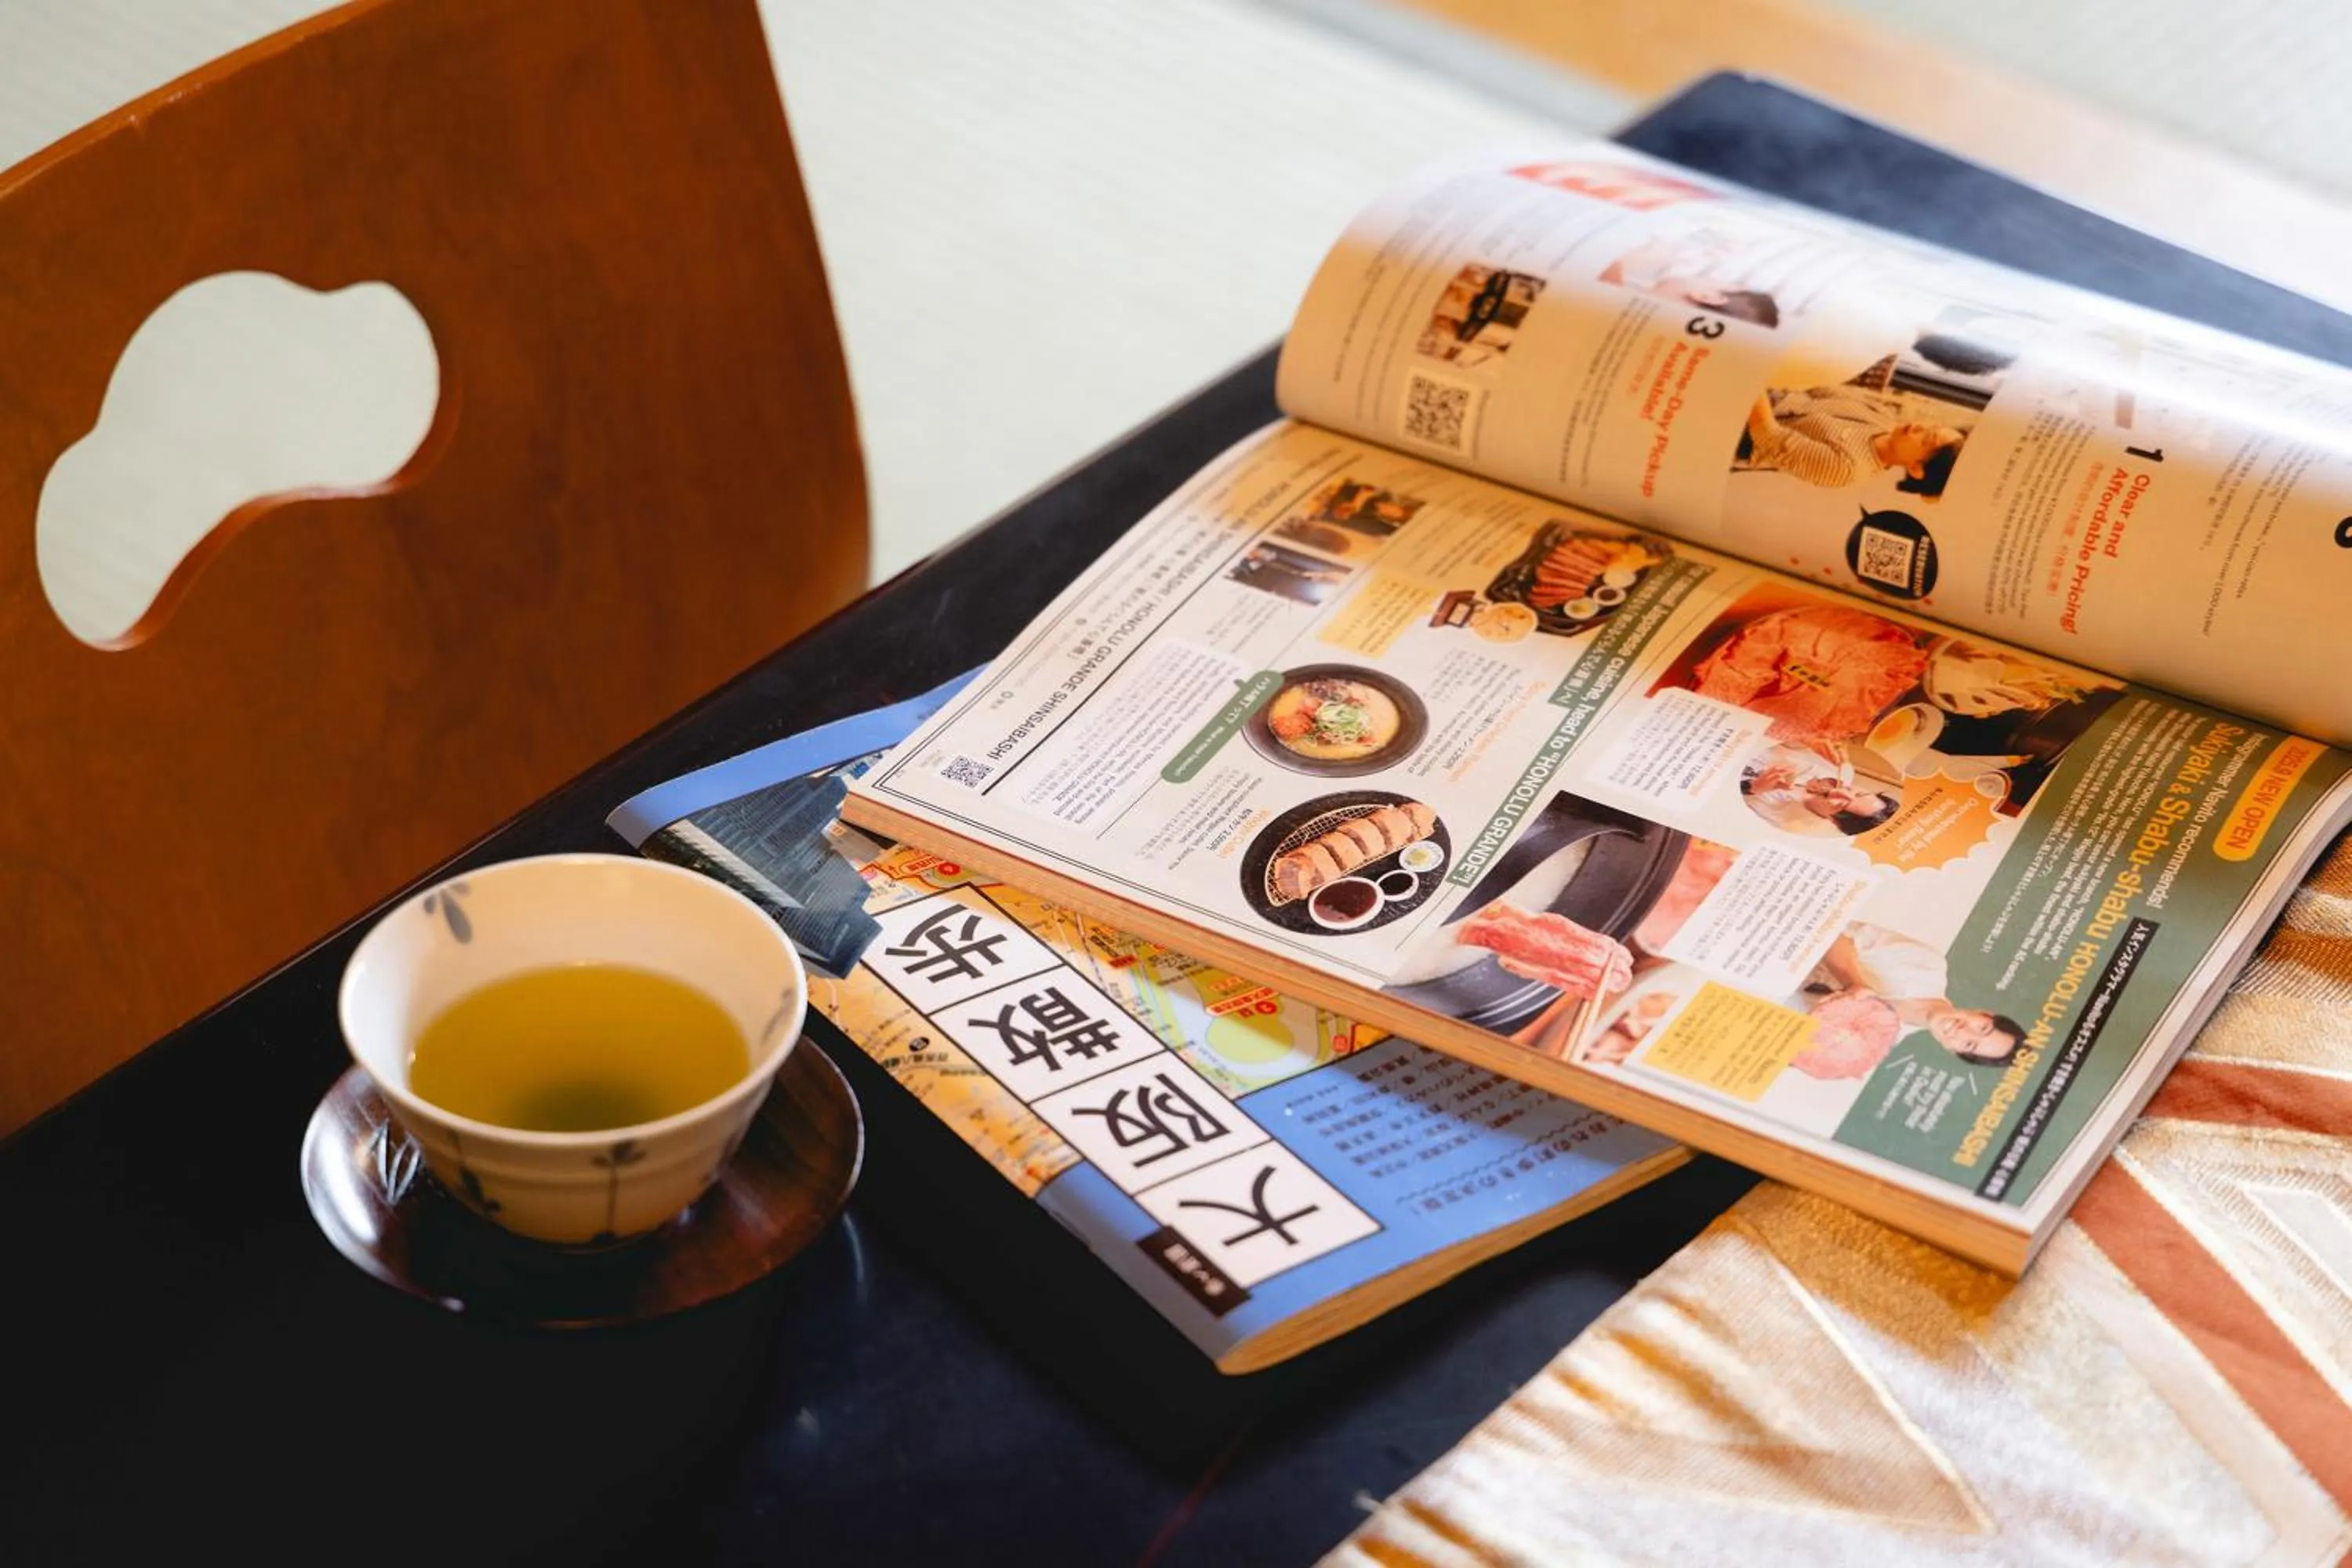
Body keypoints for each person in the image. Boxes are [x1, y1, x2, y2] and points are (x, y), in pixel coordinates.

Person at [1805, 923, 2025, 1065]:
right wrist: (1854, 984)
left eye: (1969, 1044)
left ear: (1952, 1050)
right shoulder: (1927, 964)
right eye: (1982, 1028)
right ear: (1984, 1013)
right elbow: (1829, 927)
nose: (1964, 1031)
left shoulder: (1881, 1041)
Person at [1737, 386, 1965, 495]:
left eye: (1927, 439)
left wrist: (1752, 378)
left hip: (1740, 429)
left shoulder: (1847, 469)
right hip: (1761, 393)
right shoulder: (1883, 416)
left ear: (1916, 469)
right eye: (1932, 427)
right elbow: (1819, 390)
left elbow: (1766, 434)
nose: (1920, 427)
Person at [1738, 742, 1899, 837]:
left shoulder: (1785, 823)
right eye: (1859, 793)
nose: (1841, 792)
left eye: (1841, 805)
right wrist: (1810, 740)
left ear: (1835, 822)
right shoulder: (1839, 768)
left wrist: (1751, 788)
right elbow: (1786, 741)